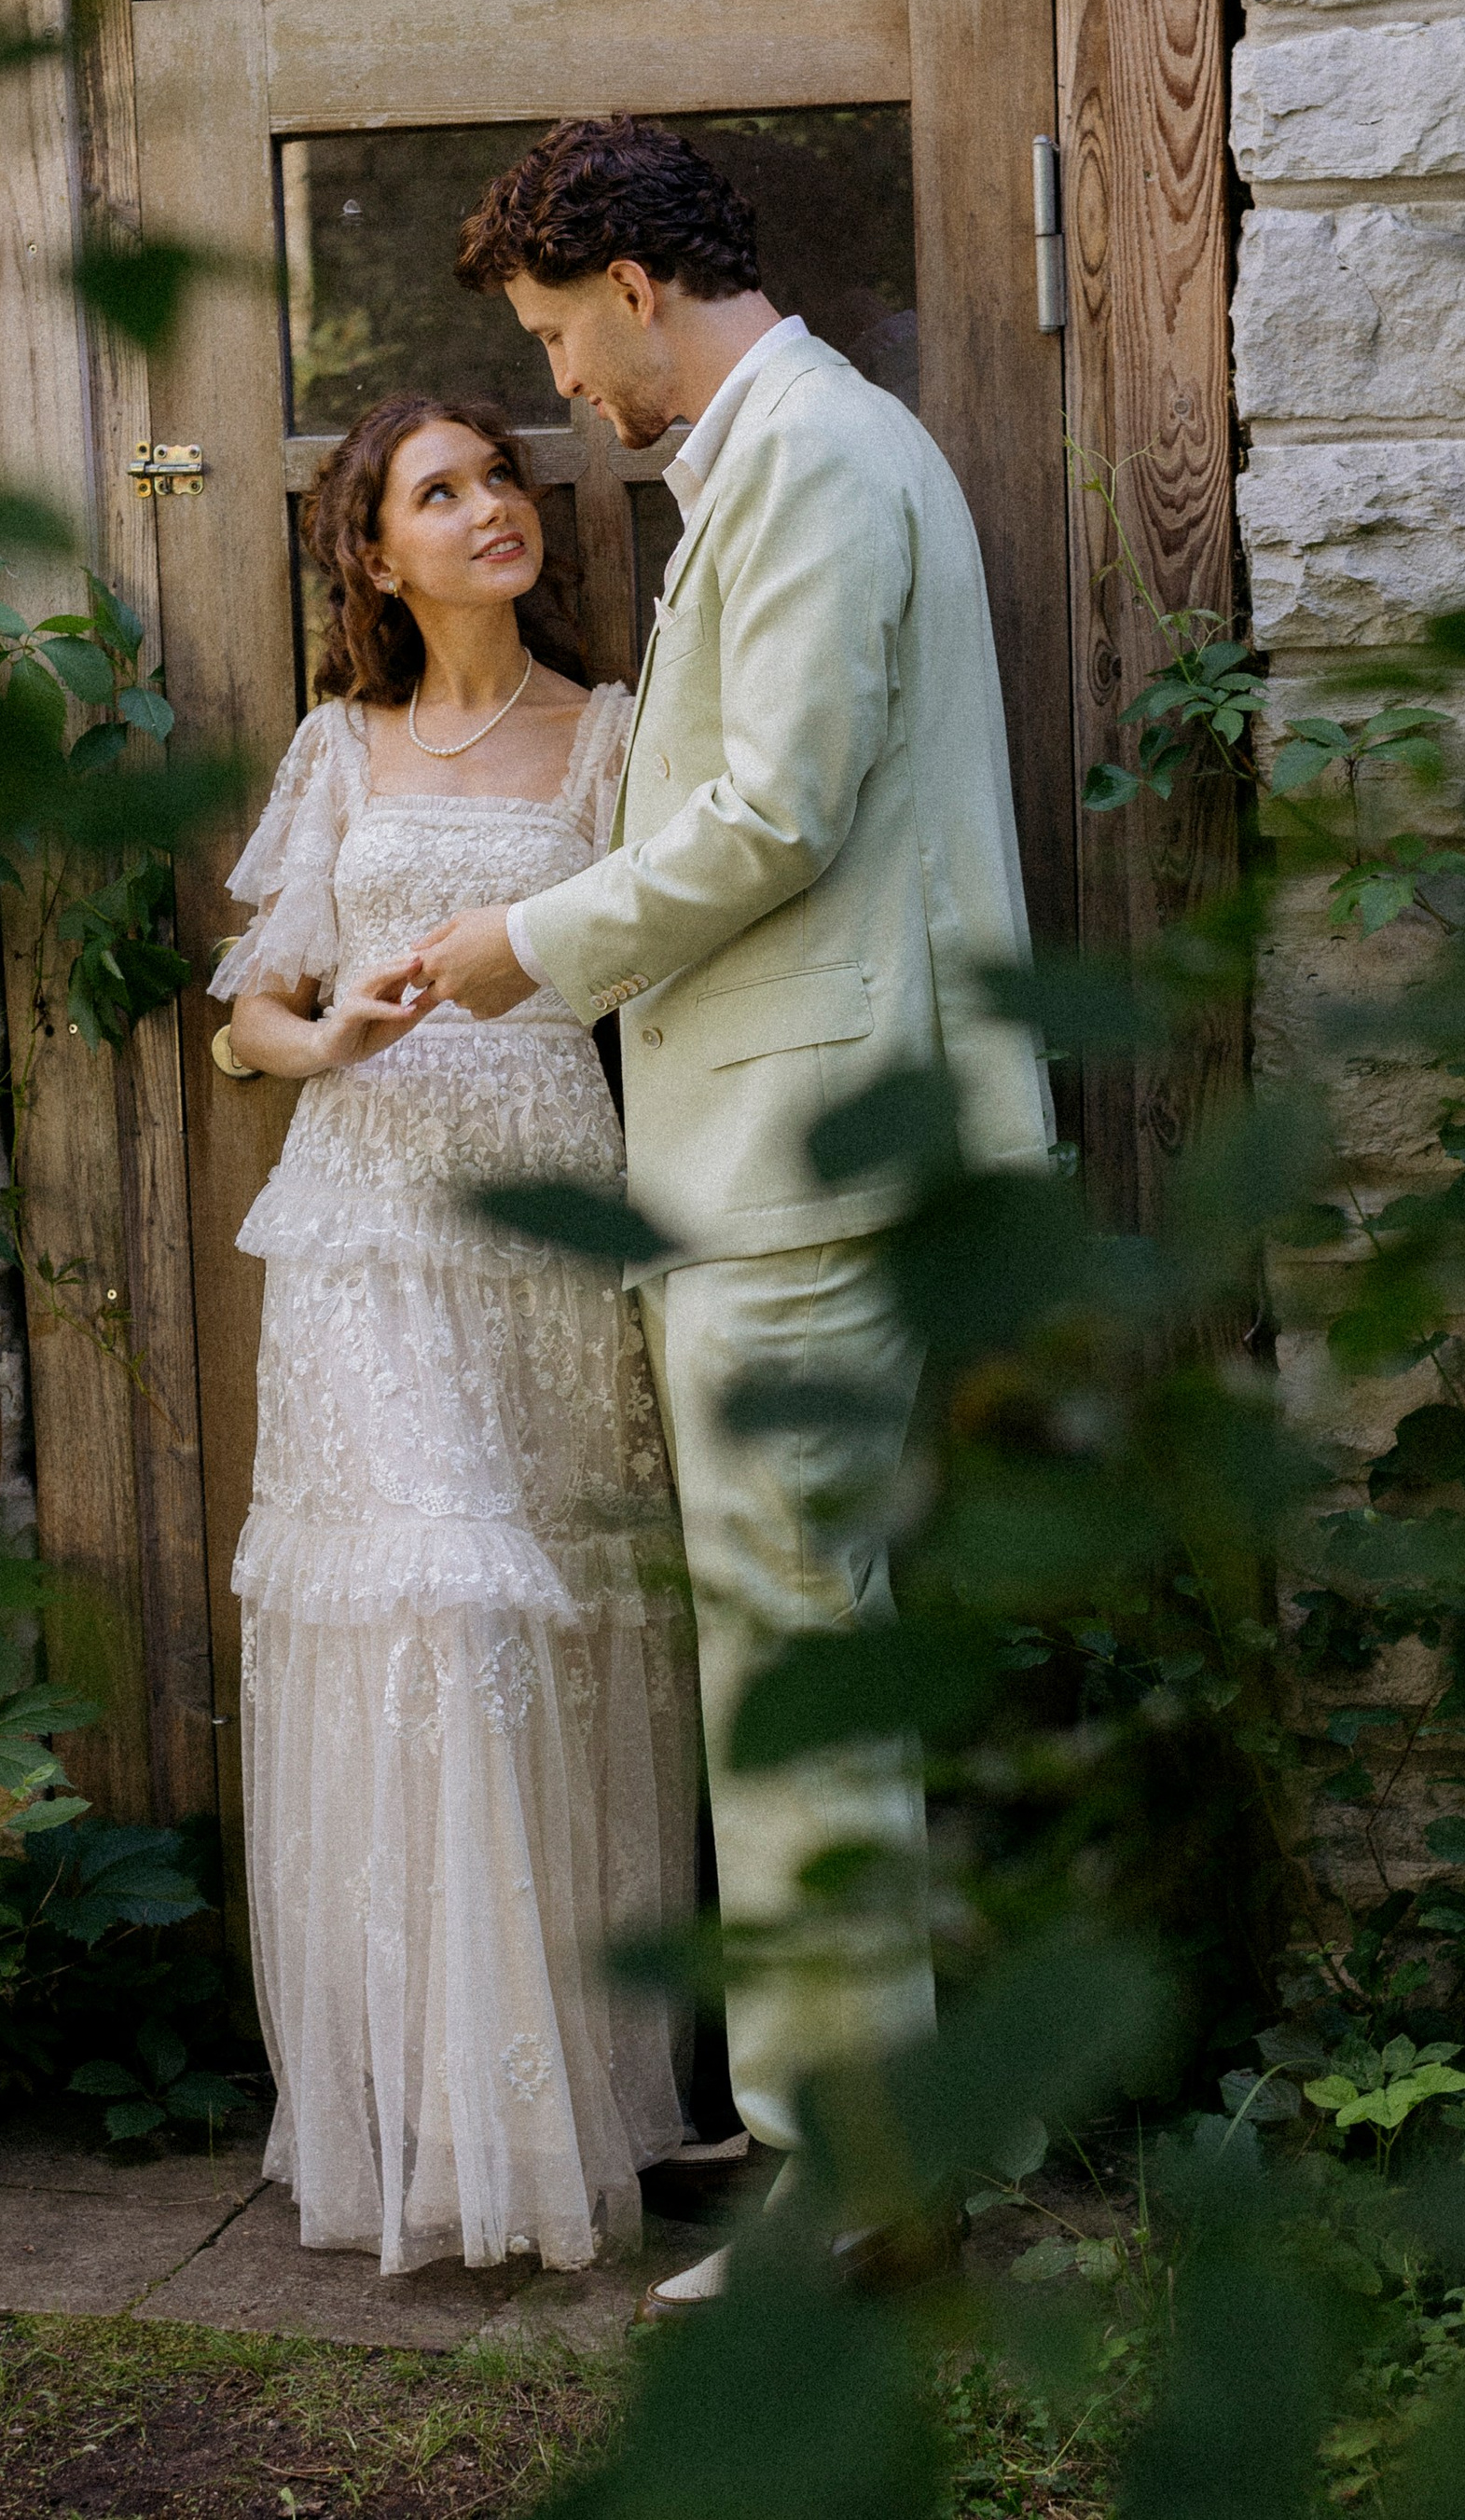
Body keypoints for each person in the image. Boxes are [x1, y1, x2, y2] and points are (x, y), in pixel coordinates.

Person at [411, 117, 1053, 2313]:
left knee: (798, 1661)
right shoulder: (800, 447)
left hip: (801, 1161)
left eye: (551, 341)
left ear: (623, 277)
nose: (562, 393)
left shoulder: (809, 457)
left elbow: (773, 808)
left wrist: (535, 941)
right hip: (808, 1148)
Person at [208, 392, 697, 2279]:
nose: (489, 504)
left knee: (553, 1626)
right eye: (440, 490)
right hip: (364, 1230)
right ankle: (431, 2129)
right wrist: (321, 1039)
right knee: (440, 1611)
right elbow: (255, 1010)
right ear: (373, 554)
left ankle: (554, 2105)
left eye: (499, 474)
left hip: (546, 1228)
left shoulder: (614, 736)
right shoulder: (339, 746)